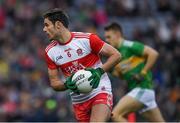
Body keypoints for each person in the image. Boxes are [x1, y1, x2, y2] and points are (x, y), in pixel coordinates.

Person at [42, 8, 121, 122]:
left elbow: (116, 55)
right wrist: (67, 84)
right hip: (78, 100)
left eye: (47, 25)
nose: (44, 29)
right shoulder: (50, 52)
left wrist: (99, 72)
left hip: (99, 90)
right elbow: (54, 83)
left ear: (58, 24)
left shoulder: (87, 39)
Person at [104, 22, 165, 122]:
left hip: (142, 89)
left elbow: (153, 54)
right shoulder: (117, 54)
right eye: (106, 37)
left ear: (118, 34)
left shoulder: (128, 45)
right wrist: (112, 70)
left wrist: (143, 72)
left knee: (115, 115)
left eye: (109, 37)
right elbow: (123, 76)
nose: (107, 40)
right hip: (142, 91)